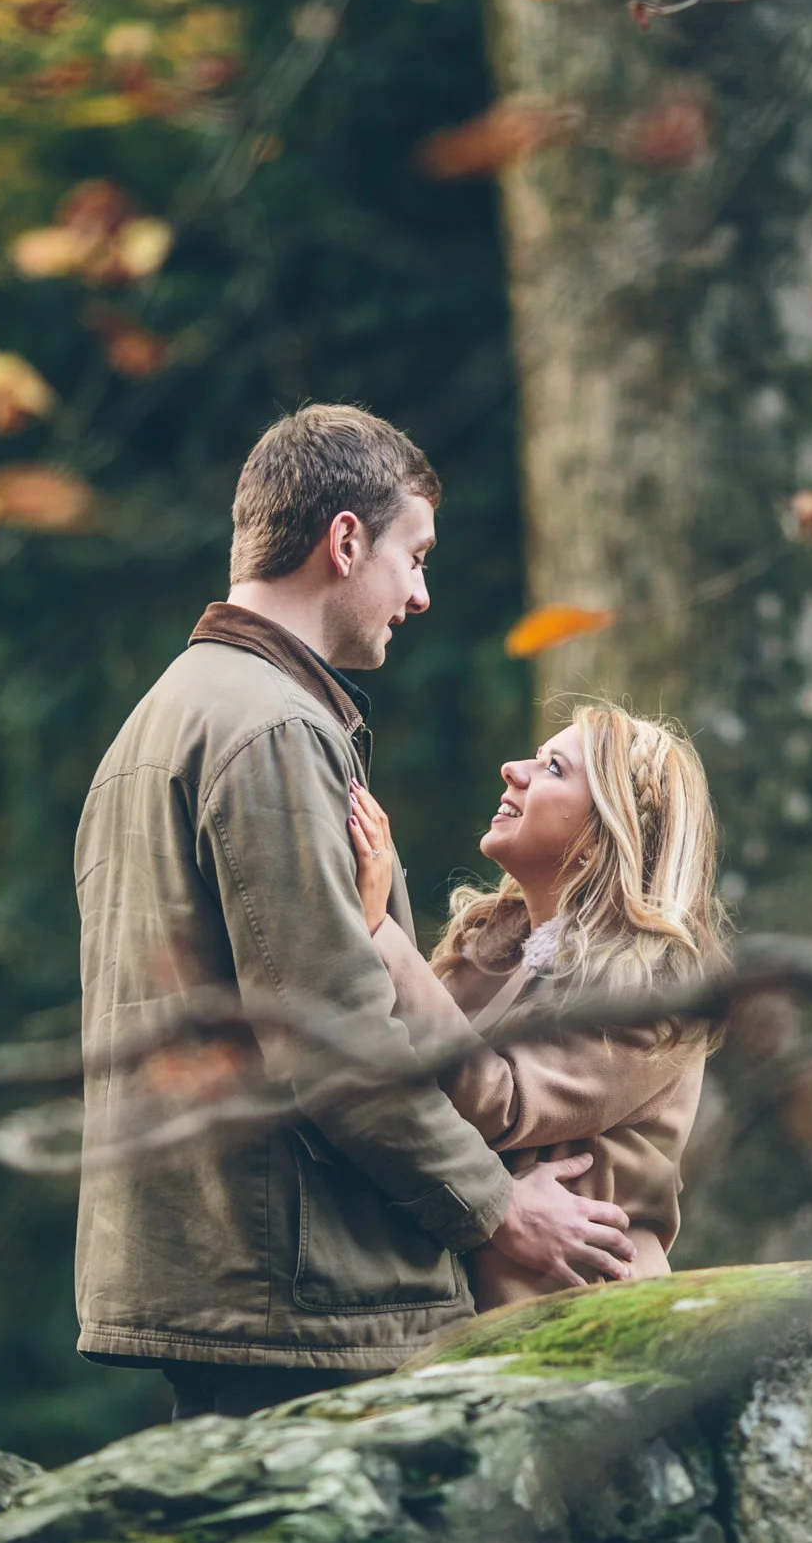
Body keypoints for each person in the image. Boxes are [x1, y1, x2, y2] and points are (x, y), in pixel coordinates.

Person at [72, 405, 636, 1421]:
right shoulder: (272, 728)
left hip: (232, 1279)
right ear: (344, 541)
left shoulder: (161, 718)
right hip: (303, 1294)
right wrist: (496, 1208)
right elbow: (330, 1035)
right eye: (413, 556)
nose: (420, 594)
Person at [346, 702, 729, 1309]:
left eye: (553, 768)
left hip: (589, 1325)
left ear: (607, 831)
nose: (512, 769)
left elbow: (498, 1101)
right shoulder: (493, 952)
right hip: (473, 1313)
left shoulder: (652, 994)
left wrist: (377, 928)